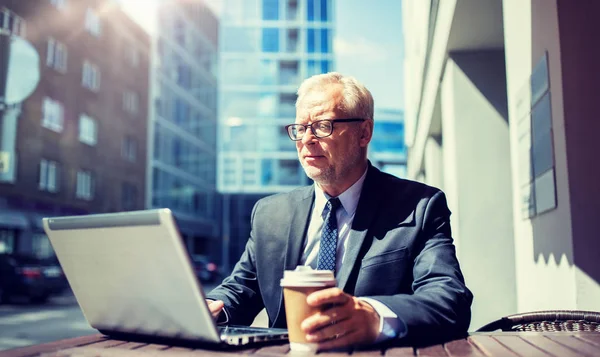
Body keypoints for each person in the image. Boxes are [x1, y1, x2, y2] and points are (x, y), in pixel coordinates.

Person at [206, 72, 472, 349]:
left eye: (322, 126)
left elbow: (448, 299)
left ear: (364, 133)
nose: (306, 139)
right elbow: (242, 288)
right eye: (300, 127)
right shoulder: (270, 214)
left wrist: (373, 317)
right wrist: (210, 307)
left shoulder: (419, 207)